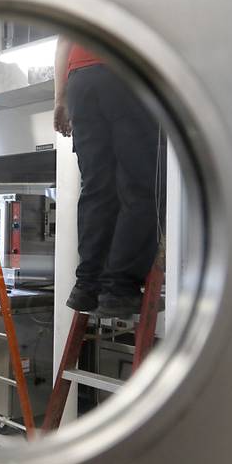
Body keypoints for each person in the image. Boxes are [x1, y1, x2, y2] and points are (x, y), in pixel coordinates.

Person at [53, 36, 165, 320]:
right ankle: (119, 288)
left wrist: (60, 98)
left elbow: (64, 39)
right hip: (124, 72)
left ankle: (87, 284)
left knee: (97, 190)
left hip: (79, 81)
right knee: (142, 187)